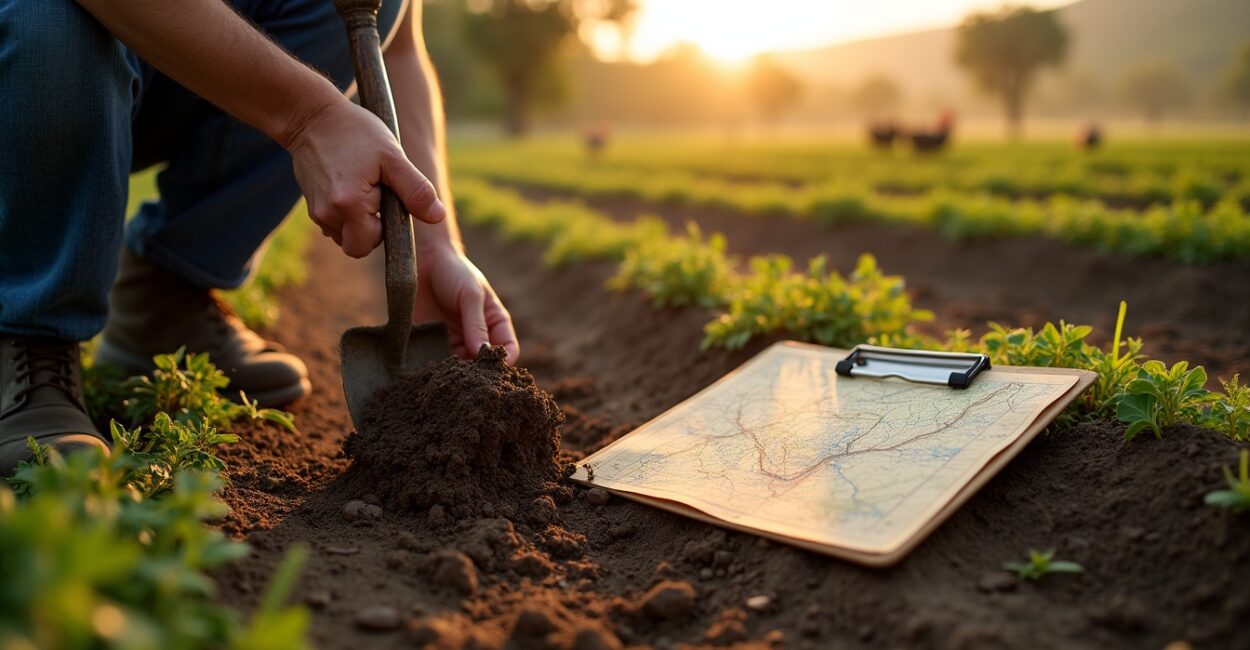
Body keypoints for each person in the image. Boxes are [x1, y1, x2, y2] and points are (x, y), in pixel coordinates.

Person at [0, 0, 519, 474]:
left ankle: (163, 299)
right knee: (48, 14)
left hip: (160, 55)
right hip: (27, 55)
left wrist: (434, 245)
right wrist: (311, 117)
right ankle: (27, 335)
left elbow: (398, 45)